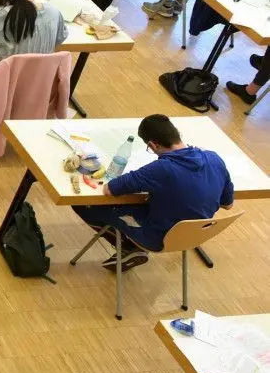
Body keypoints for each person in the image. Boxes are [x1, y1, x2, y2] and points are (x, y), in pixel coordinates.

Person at [73, 113, 233, 271]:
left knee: (85, 204)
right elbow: (228, 204)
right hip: (194, 236)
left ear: (154, 145)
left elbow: (110, 189)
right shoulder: (214, 158)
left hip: (157, 238)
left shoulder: (161, 169)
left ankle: (129, 247)